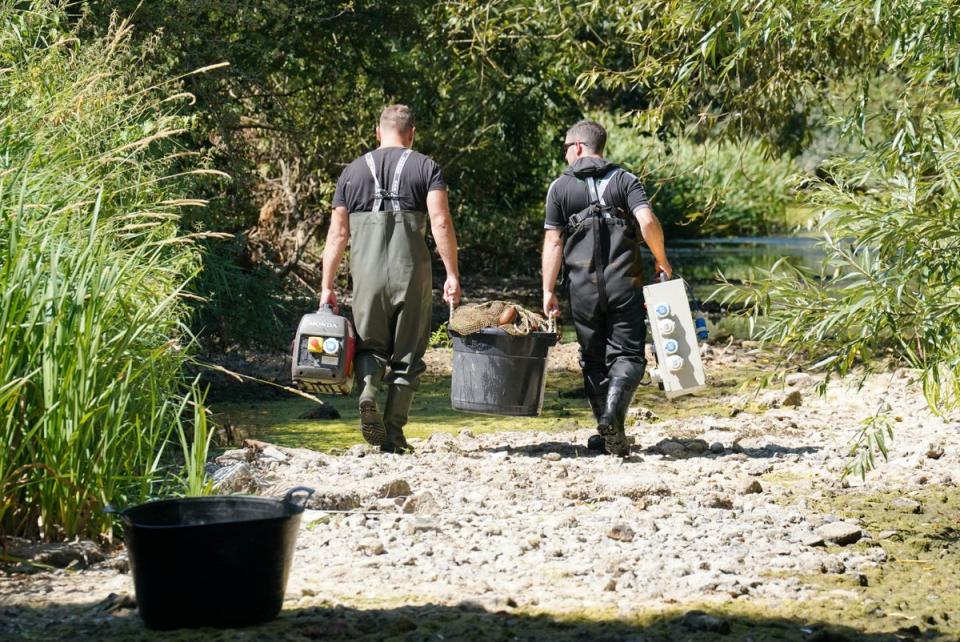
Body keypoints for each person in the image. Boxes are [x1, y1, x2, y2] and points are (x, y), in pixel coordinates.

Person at [320, 104, 461, 453]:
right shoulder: (426, 167)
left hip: (365, 275)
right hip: (411, 273)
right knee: (408, 356)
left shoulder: (351, 173)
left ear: (376, 132)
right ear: (412, 133)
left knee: (370, 347)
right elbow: (440, 222)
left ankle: (368, 392)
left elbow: (337, 235)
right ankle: (394, 436)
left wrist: (326, 285)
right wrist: (452, 273)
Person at [541, 120, 671, 456]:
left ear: (579, 147)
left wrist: (548, 289)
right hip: (624, 283)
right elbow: (646, 222)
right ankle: (613, 420)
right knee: (628, 356)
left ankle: (606, 427)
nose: (566, 153)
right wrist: (662, 260)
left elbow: (554, 242)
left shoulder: (560, 187)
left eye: (567, 147)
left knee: (593, 358)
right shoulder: (626, 180)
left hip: (582, 288)